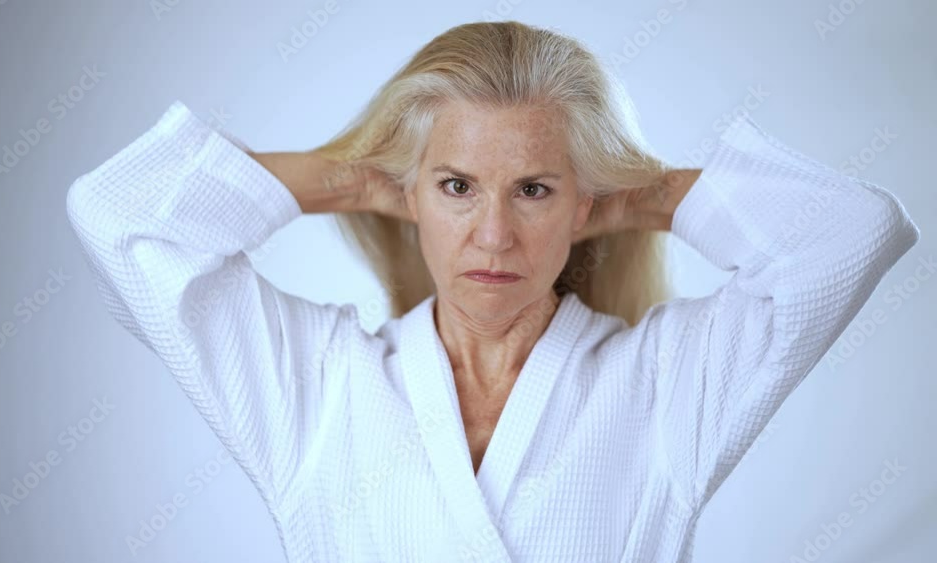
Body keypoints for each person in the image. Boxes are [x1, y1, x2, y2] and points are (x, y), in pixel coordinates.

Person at [66, 21, 919, 563]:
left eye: (535, 190)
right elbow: (118, 217)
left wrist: (632, 194)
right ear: (413, 195)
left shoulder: (666, 388)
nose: (494, 235)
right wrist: (359, 180)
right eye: (458, 187)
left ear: (582, 205)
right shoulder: (317, 387)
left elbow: (851, 234)